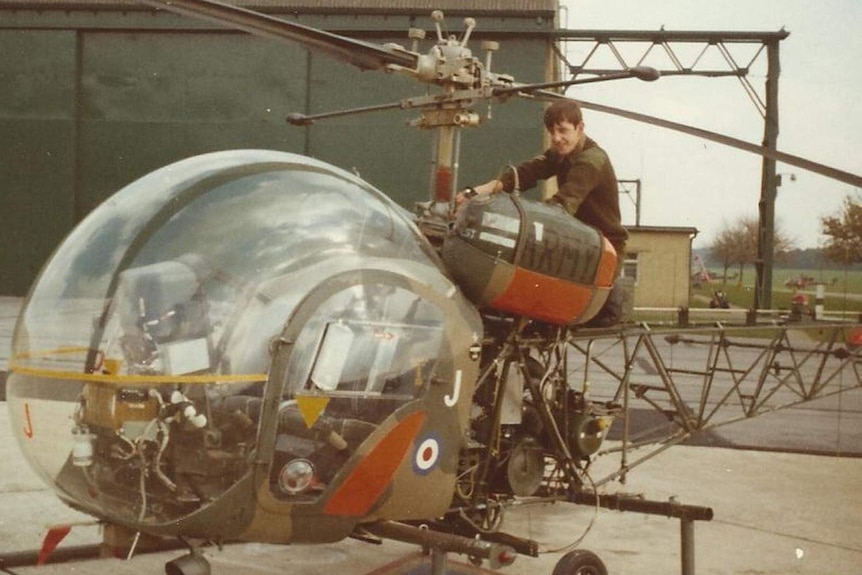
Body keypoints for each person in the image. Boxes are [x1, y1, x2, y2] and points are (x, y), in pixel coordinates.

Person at [456, 99, 628, 327]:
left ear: (580, 128)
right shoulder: (561, 154)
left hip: (602, 251)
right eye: (552, 131)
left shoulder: (591, 161)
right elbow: (526, 173)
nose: (556, 138)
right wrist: (477, 191)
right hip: (578, 244)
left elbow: (562, 206)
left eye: (563, 130)